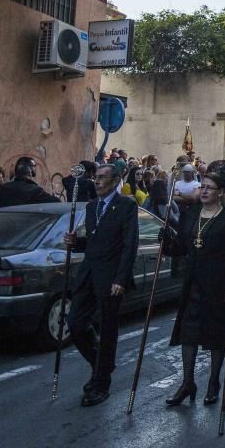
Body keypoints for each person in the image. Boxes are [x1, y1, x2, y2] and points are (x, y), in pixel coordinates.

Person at [63, 164, 139, 407]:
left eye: (102, 178)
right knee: (75, 322)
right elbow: (95, 241)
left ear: (115, 181)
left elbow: (129, 244)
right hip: (89, 272)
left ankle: (101, 381)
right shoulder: (92, 206)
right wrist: (76, 242)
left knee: (107, 328)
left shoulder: (126, 205)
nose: (96, 182)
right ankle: (99, 363)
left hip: (111, 276)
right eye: (95, 177)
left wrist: (121, 278)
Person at [162, 172, 225, 407]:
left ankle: (214, 381)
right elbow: (182, 248)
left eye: (210, 188)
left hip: (218, 284)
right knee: (189, 333)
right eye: (202, 187)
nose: (204, 191)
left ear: (221, 193)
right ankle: (187, 382)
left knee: (216, 335)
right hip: (193, 283)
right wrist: (167, 242)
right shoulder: (191, 214)